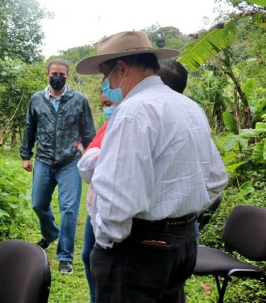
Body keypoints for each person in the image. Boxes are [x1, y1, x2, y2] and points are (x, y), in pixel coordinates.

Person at [76, 31, 228, 302]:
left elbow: (119, 195)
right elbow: (216, 179)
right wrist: (180, 218)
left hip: (139, 248)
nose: (106, 84)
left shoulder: (134, 110)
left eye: (105, 75)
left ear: (121, 68)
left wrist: (107, 242)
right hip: (183, 243)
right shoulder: (189, 107)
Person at [20, 59, 96, 274]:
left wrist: (93, 157)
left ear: (67, 76)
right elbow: (29, 127)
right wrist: (26, 155)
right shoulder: (37, 99)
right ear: (47, 74)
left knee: (70, 210)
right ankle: (51, 233)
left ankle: (65, 256)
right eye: (54, 73)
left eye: (62, 74)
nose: (58, 77)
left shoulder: (79, 100)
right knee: (38, 203)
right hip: (43, 159)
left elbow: (89, 131)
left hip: (70, 161)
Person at [78, 91, 118, 303]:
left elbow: (88, 163)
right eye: (103, 104)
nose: (106, 109)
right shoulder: (107, 125)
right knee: (88, 255)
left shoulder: (128, 122)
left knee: (101, 261)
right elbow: (87, 162)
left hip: (111, 209)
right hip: (96, 203)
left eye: (109, 103)